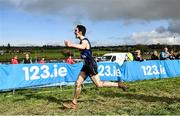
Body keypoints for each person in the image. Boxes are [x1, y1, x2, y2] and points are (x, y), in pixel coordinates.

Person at [63, 25, 128, 109]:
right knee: (78, 83)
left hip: (90, 65)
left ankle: (118, 84)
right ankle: (73, 103)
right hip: (86, 65)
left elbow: (83, 46)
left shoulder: (84, 41)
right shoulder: (81, 41)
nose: (74, 32)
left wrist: (71, 44)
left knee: (99, 84)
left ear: (80, 32)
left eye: (75, 30)